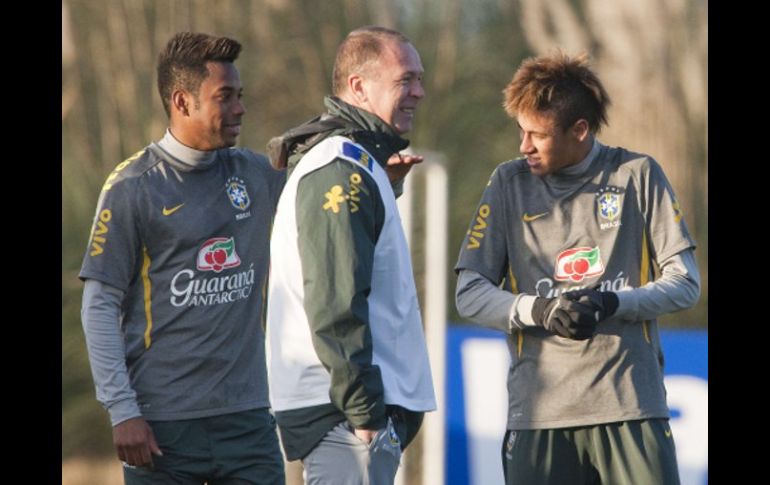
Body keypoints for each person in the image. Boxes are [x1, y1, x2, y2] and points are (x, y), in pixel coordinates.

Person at [454, 51, 700, 485]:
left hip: (632, 410)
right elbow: (469, 292)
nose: (523, 146)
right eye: (520, 130)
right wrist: (540, 310)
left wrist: (611, 302)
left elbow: (685, 284)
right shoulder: (507, 183)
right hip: (539, 416)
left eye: (537, 135)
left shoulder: (638, 175)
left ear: (579, 130)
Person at [78, 32, 285, 484]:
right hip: (160, 428)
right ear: (182, 101)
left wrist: (390, 179)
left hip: (247, 420)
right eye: (224, 97)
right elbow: (98, 306)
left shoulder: (256, 174)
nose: (240, 109)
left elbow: (325, 205)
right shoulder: (133, 187)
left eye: (241, 96)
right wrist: (121, 410)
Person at [265, 25, 436, 484]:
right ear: (359, 87)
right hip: (342, 416)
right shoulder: (340, 168)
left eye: (420, 79)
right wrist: (365, 415)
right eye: (405, 80)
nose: (419, 92)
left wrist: (386, 188)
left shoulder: (355, 164)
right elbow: (335, 299)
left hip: (344, 412)